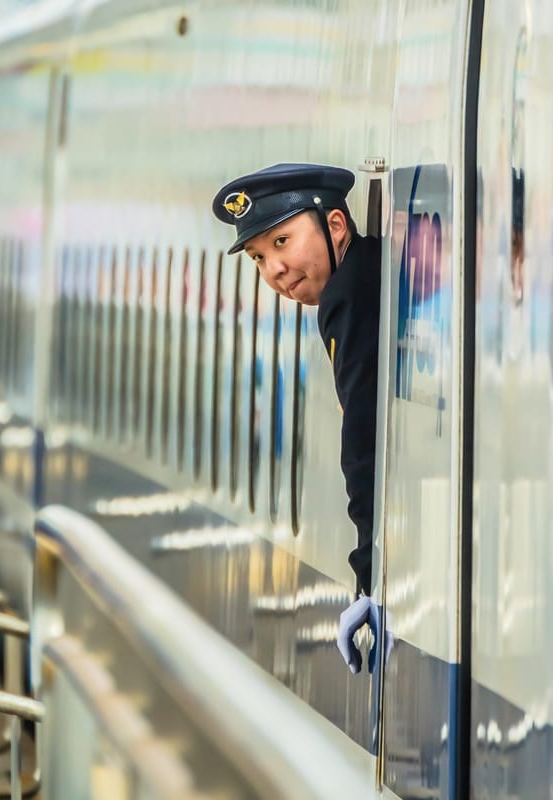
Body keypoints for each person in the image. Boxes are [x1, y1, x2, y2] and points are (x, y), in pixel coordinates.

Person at [210, 163, 385, 674]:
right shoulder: (372, 271)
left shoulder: (345, 299)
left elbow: (364, 445)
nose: (274, 270)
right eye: (260, 258)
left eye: (282, 241)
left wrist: (367, 577)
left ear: (335, 226)